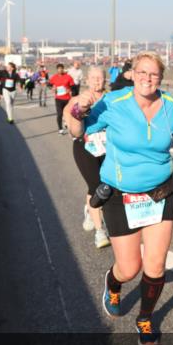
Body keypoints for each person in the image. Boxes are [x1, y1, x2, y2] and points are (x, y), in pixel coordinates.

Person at [66, 52, 173, 345]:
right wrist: (75, 111)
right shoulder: (113, 102)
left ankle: (145, 319)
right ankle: (114, 283)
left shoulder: (171, 106)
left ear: (161, 77)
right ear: (132, 73)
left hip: (160, 193)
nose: (147, 78)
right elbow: (79, 132)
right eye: (141, 72)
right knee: (130, 268)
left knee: (155, 266)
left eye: (154, 74)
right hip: (120, 195)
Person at [64, 66, 111, 248]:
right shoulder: (78, 99)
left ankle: (89, 209)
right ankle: (100, 232)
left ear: (105, 80)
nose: (97, 80)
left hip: (108, 147)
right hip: (85, 148)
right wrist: (72, 124)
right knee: (96, 187)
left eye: (100, 77)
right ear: (87, 80)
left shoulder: (112, 99)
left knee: (109, 185)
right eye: (93, 77)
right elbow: (70, 117)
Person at [49, 63, 76, 135]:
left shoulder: (68, 77)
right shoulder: (54, 77)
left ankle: (66, 123)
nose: (60, 70)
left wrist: (70, 90)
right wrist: (52, 88)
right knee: (59, 114)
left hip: (67, 98)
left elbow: (73, 86)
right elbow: (49, 84)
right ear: (57, 69)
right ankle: (60, 129)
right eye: (58, 69)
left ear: (63, 69)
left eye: (61, 68)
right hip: (58, 98)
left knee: (68, 113)